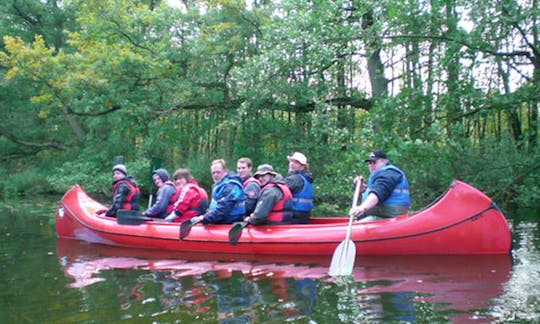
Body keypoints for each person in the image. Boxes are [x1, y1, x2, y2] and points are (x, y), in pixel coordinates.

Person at [350, 150, 410, 221]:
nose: (371, 165)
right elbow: (373, 192)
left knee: (360, 225)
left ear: (384, 161)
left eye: (374, 162)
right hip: (378, 215)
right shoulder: (380, 175)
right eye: (369, 163)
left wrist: (362, 208)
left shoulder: (389, 174)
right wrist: (362, 188)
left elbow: (378, 193)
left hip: (389, 217)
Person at [191, 159, 245, 224]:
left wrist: (204, 218)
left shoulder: (231, 186)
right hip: (220, 222)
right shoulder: (219, 185)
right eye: (213, 173)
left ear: (225, 172)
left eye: (218, 172)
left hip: (230, 225)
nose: (215, 175)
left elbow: (222, 210)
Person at [284, 152, 314, 224]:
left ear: (303, 166)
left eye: (296, 162)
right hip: (304, 216)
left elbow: (276, 192)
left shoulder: (294, 179)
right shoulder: (307, 178)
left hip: (293, 217)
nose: (292, 164)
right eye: (291, 161)